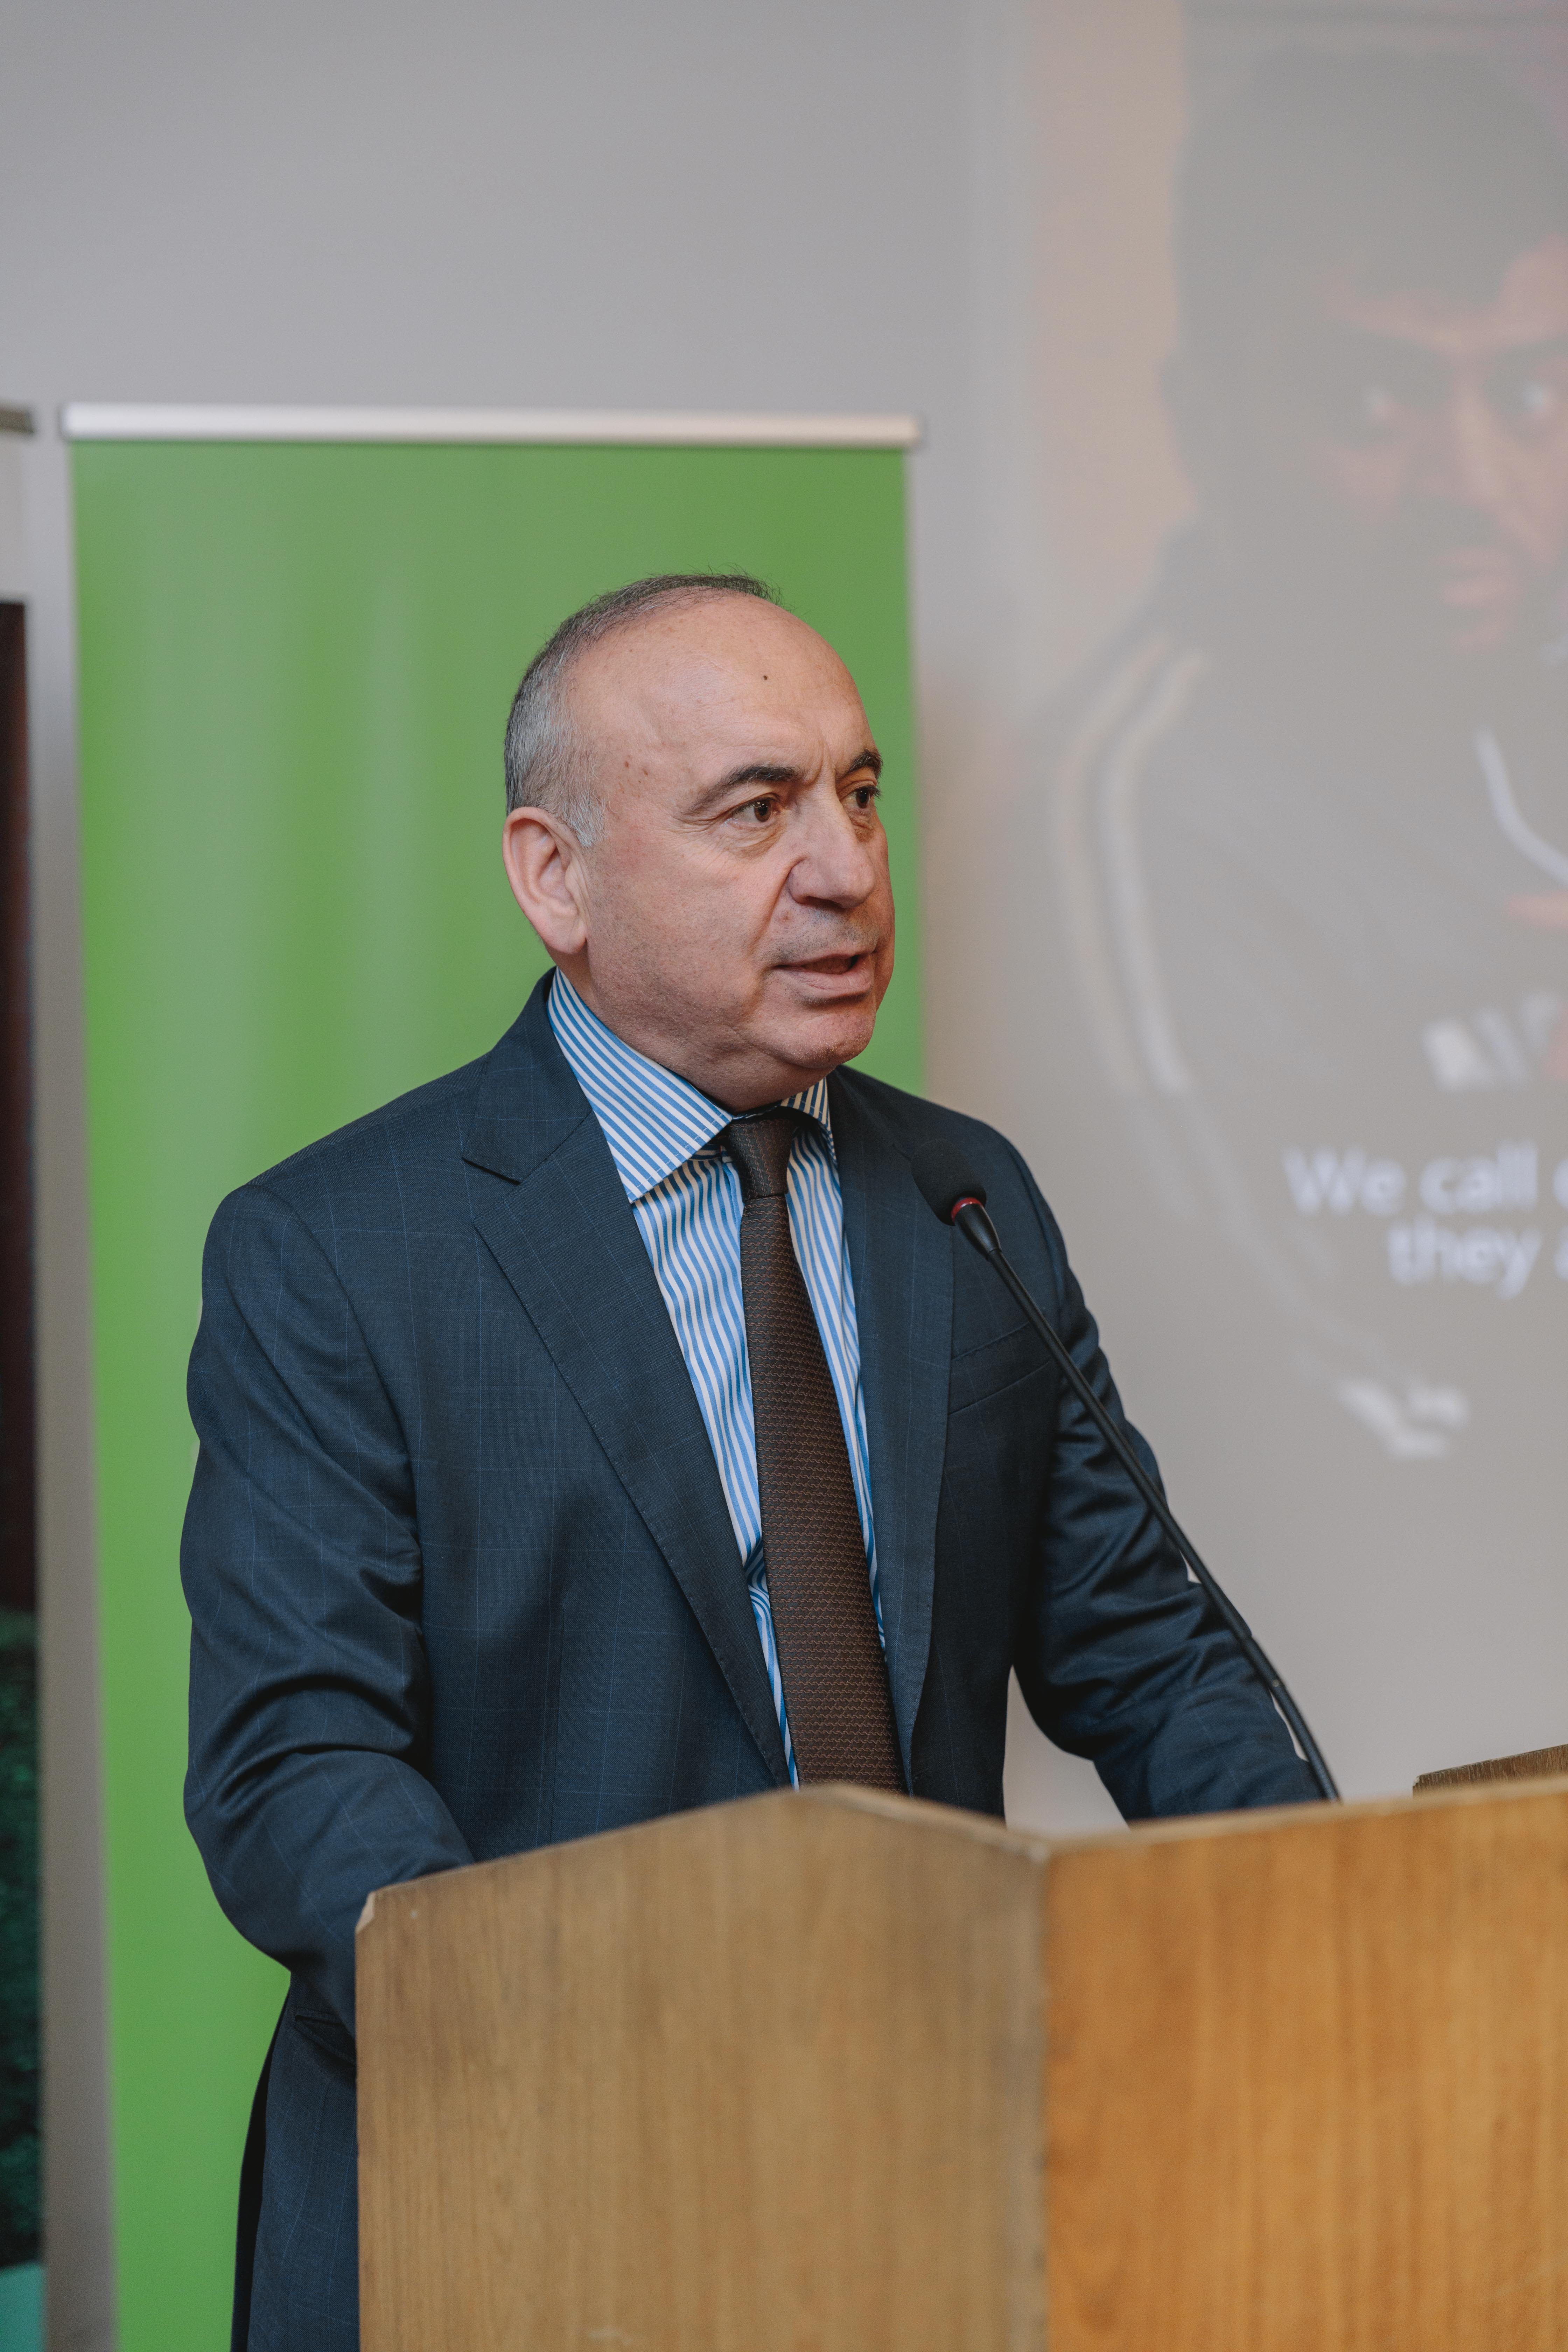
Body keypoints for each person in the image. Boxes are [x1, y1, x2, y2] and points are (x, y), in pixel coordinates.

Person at [183, 572, 1317, 2350]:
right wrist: (592, 2037)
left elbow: (1149, 1655)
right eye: (756, 809)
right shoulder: (339, 1249)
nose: (846, 869)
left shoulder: (965, 1199)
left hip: (919, 2162)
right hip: (510, 2180)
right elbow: (296, 1764)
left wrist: (1324, 1927)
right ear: (554, 877)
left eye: (859, 794)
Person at [1014, 54, 1568, 1469]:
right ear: (1205, 420)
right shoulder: (1133, 805)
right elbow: (1292, 1383)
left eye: (1526, 395)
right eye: (1374, 403)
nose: (1470, 484)